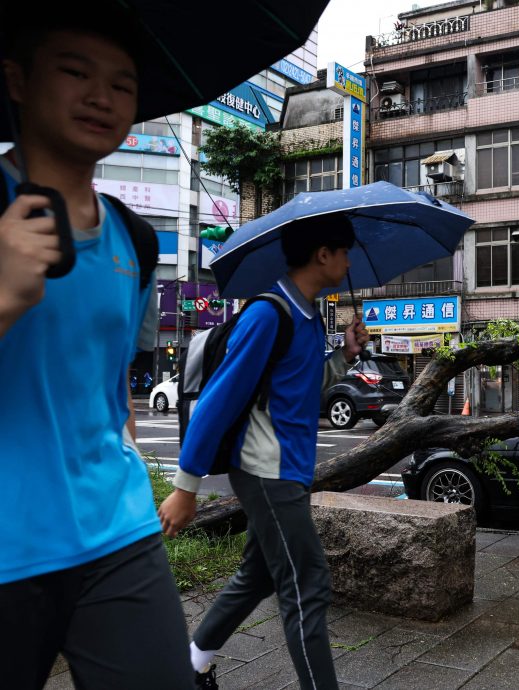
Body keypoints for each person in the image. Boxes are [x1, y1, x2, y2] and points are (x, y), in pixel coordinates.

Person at [0, 8, 194, 689]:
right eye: (75, 72)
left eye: (122, 84)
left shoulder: (138, 241)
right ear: (18, 81)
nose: (101, 97)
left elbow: (112, 392)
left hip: (117, 532)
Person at [159, 223, 369, 690]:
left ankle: (192, 663)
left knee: (260, 573)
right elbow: (220, 399)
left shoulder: (308, 317)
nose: (349, 263)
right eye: (344, 253)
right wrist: (186, 486)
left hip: (288, 467)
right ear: (322, 254)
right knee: (307, 584)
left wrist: (346, 355)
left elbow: (300, 389)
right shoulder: (267, 315)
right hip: (265, 468)